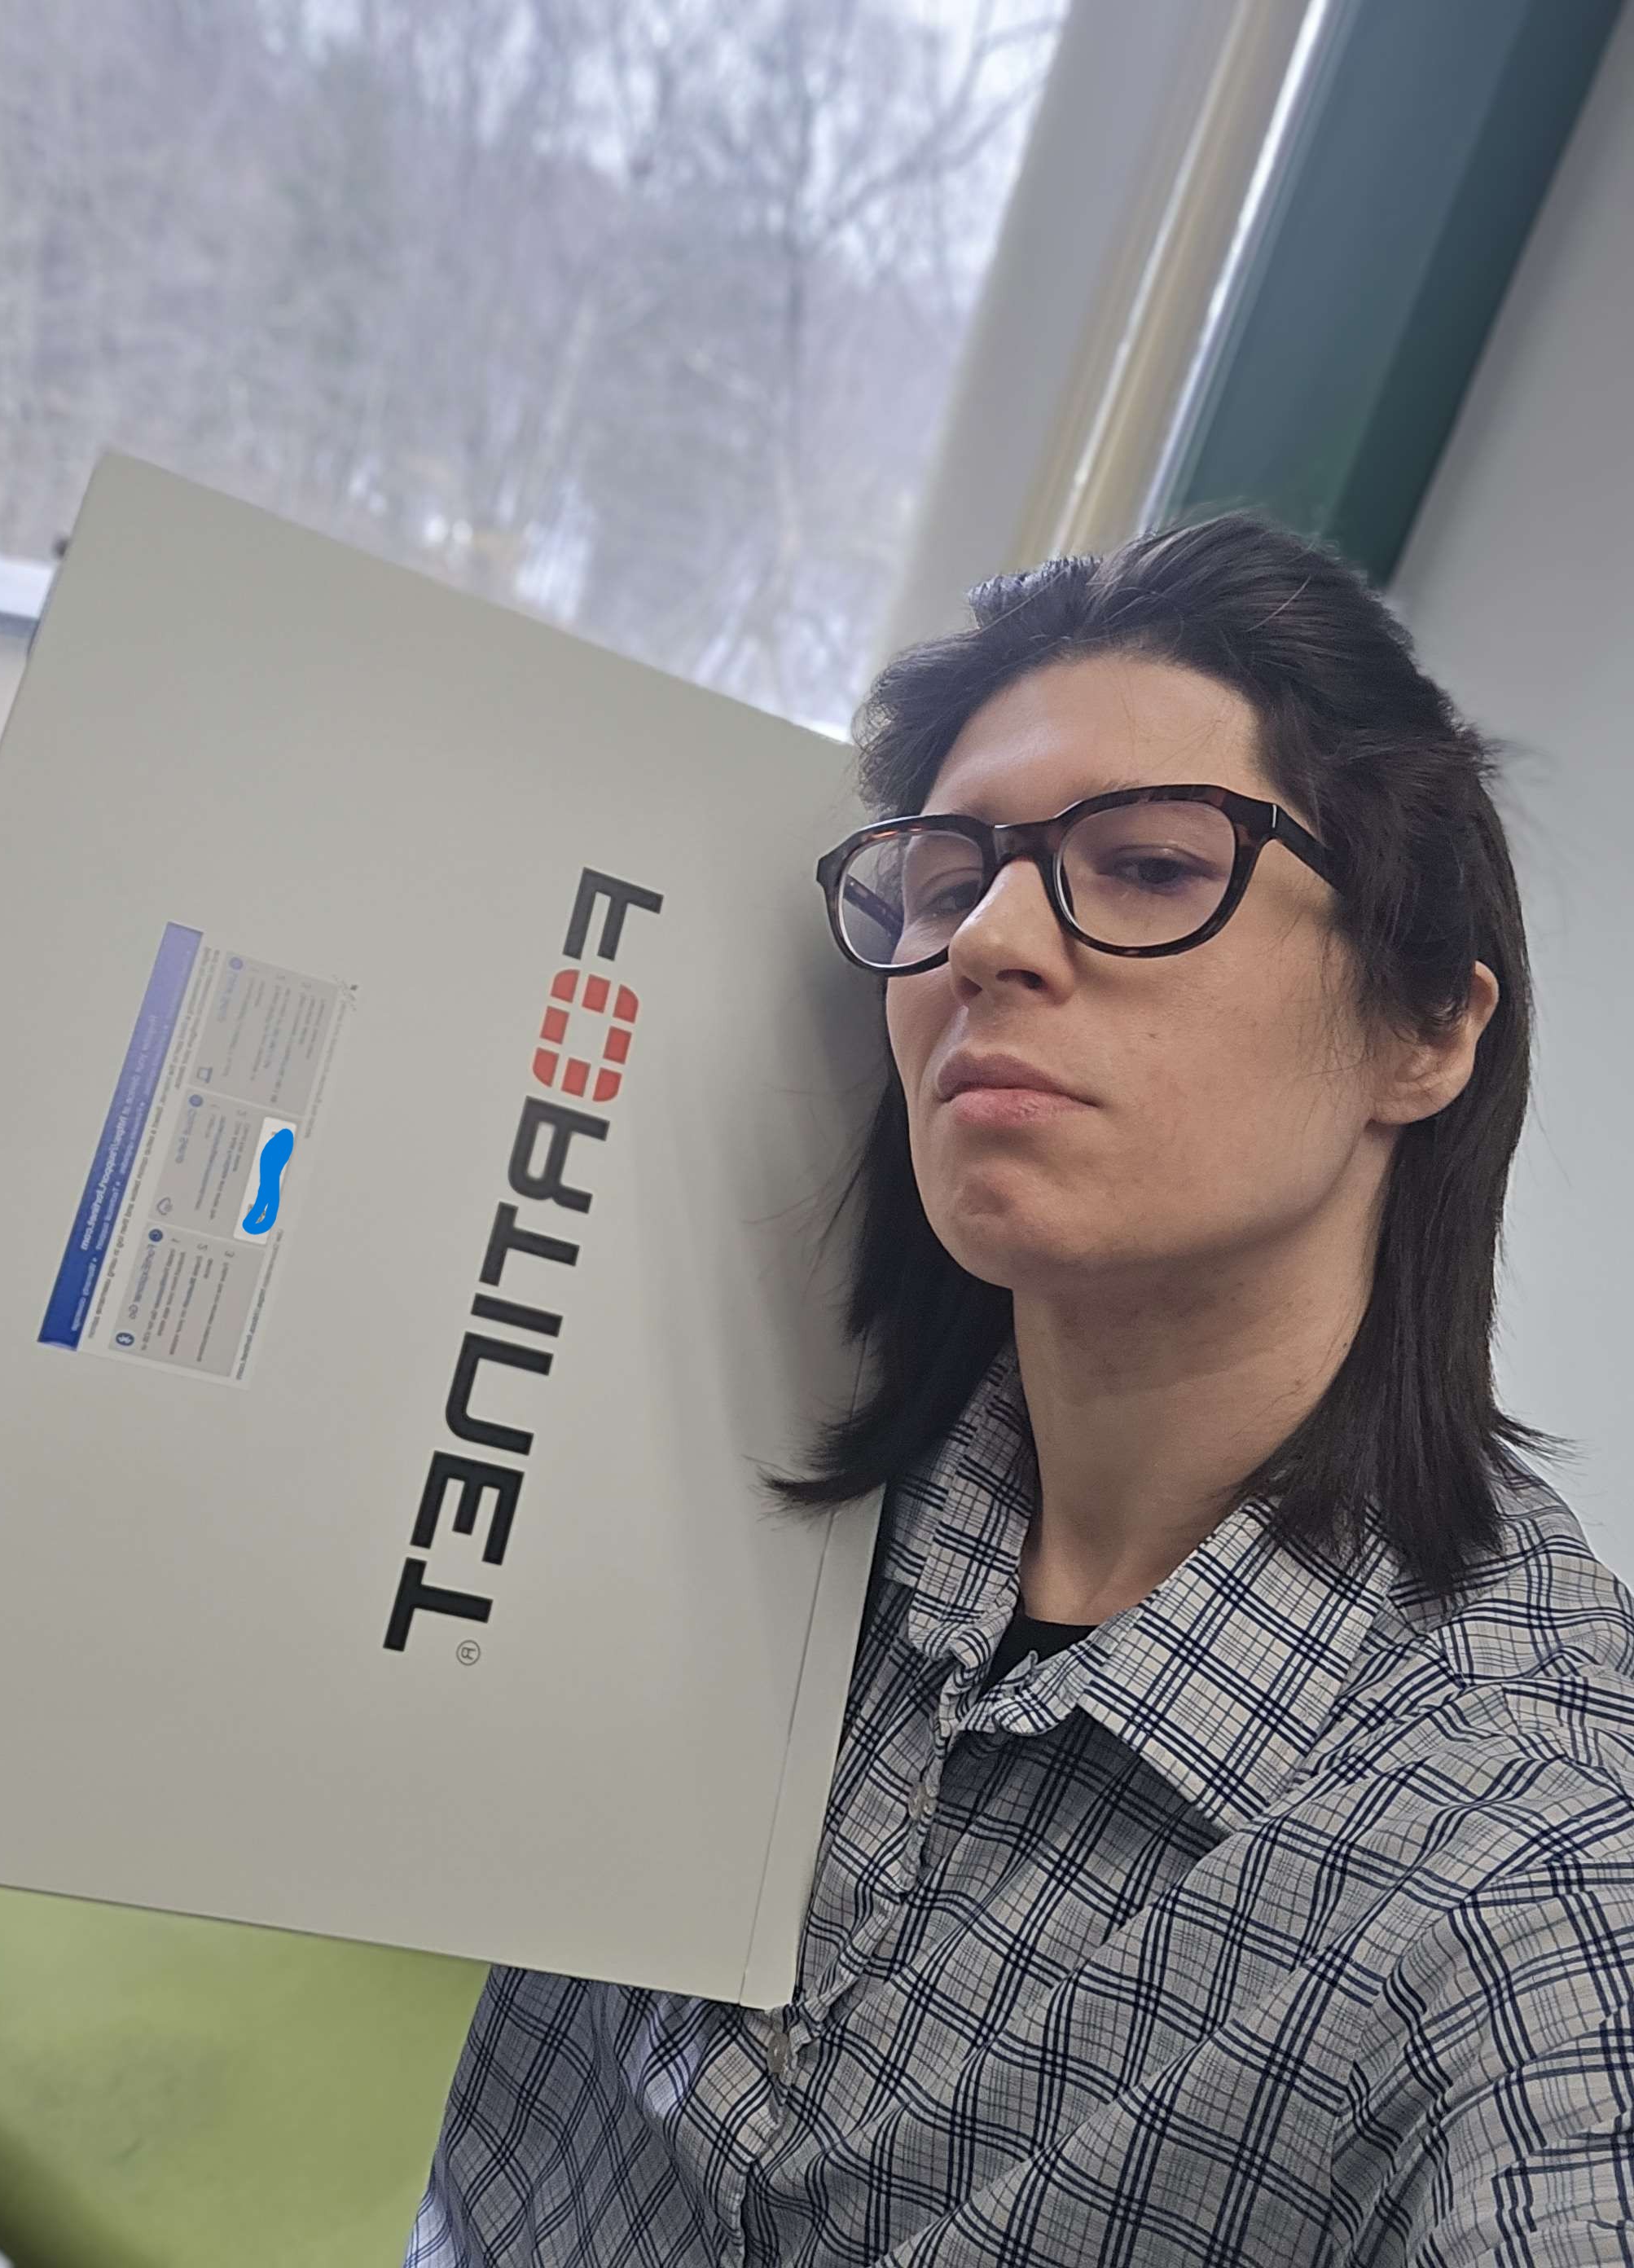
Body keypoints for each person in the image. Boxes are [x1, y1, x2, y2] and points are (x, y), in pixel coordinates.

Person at [406, 512, 1634, 2266]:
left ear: (1422, 1026)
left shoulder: (1538, 1877)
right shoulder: (694, 1475)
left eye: (1145, 866)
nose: (985, 940)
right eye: (940, 883)